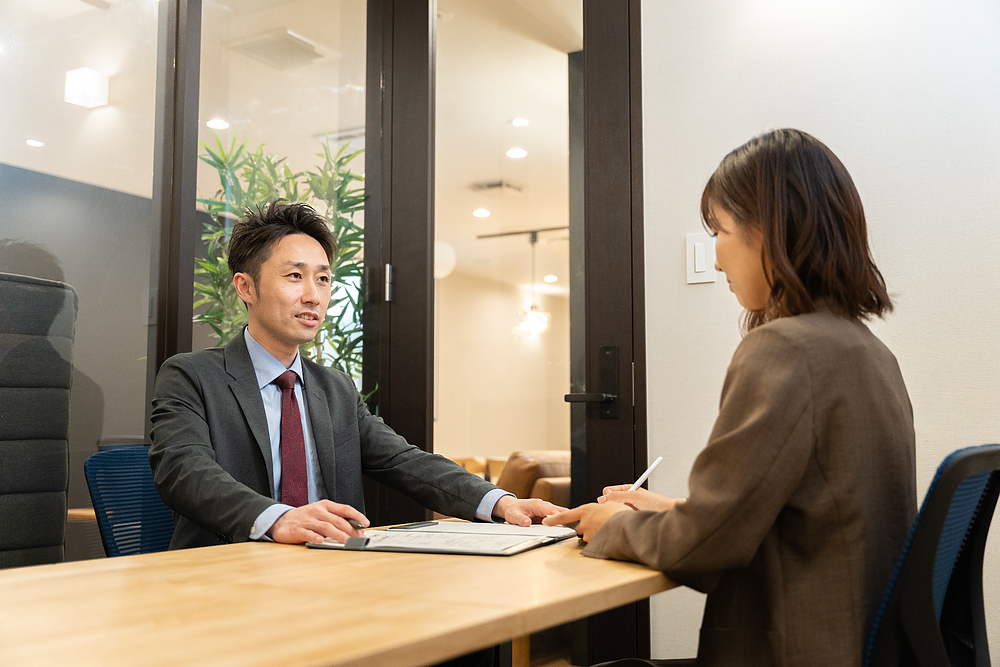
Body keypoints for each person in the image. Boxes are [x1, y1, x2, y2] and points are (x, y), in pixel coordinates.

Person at [544, 129, 917, 666]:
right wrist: (670, 508)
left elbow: (705, 548)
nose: (715, 260)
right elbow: (802, 515)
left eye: (718, 230)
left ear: (768, 229)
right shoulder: (869, 352)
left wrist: (614, 526)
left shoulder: (784, 349)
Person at [149, 200, 560, 550]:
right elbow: (185, 471)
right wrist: (276, 519)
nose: (314, 295)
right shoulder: (192, 376)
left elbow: (405, 461)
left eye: (323, 279)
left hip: (335, 572)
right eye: (295, 276)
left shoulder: (334, 388)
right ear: (245, 287)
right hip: (228, 576)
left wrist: (500, 502)